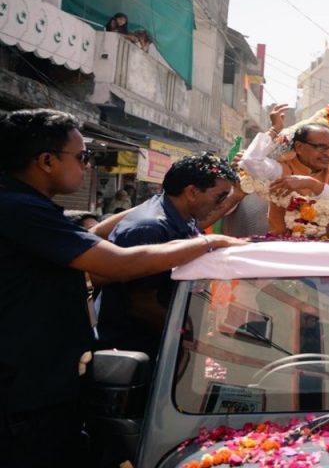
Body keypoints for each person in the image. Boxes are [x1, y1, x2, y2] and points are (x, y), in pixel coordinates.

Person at [0, 109, 244, 467]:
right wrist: (214, 243)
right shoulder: (18, 209)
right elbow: (120, 262)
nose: (87, 165)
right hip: (26, 389)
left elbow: (92, 236)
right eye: (83, 156)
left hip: (45, 379)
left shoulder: (29, 206)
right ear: (47, 161)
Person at [98, 153, 240, 359]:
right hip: (134, 353)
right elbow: (142, 305)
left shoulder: (182, 216)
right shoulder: (149, 228)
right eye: (220, 197)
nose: (221, 204)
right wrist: (197, 336)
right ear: (192, 192)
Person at [240, 103, 329, 235]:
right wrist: (275, 129)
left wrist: (312, 184)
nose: (328, 154)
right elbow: (250, 161)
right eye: (321, 147)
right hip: (285, 247)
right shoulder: (282, 169)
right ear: (299, 147)